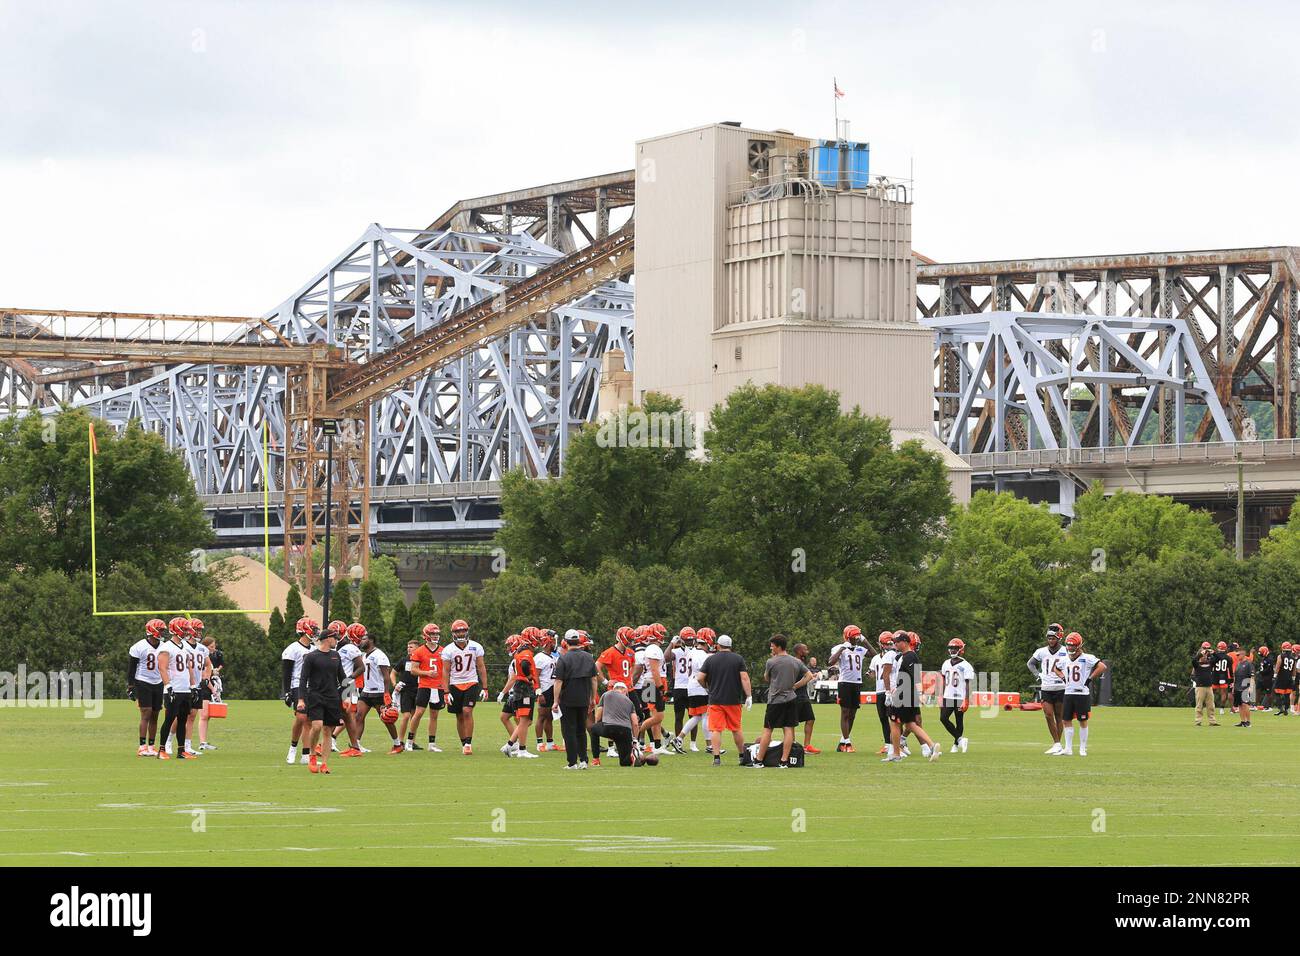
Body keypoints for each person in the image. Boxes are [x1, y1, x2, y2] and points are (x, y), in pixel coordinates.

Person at [750, 635, 812, 768]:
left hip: (775, 700)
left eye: (772, 645)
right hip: (791, 698)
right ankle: (784, 761)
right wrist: (796, 685)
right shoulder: (796, 661)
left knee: (768, 729)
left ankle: (759, 760)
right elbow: (809, 676)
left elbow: (767, 678)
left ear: (778, 646)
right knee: (788, 729)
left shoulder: (771, 661)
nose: (771, 647)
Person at [697, 634, 753, 767]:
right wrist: (749, 695)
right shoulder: (738, 659)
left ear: (718, 645)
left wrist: (707, 687)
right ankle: (741, 756)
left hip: (715, 699)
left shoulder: (711, 659)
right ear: (730, 646)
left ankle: (716, 758)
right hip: (733, 699)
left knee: (716, 729)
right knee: (736, 728)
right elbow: (744, 678)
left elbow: (700, 677)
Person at [297, 626, 346, 775]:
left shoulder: (336, 655)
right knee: (317, 726)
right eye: (335, 638)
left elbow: (343, 678)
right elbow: (303, 679)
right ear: (327, 638)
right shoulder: (311, 657)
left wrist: (347, 696)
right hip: (316, 696)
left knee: (327, 731)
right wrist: (301, 699)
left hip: (332, 698)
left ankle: (324, 764)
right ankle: (312, 755)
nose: (336, 641)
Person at [884, 631, 939, 763]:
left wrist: (920, 694)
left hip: (904, 694)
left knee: (895, 722)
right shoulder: (903, 656)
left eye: (897, 642)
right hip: (905, 693)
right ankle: (932, 746)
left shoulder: (909, 657)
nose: (895, 644)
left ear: (905, 642)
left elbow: (916, 676)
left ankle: (896, 754)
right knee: (910, 724)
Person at [1051, 632, 1106, 757]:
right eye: (1068, 645)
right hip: (1068, 693)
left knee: (1083, 720)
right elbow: (1055, 668)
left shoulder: (1087, 658)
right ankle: (1068, 749)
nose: (1070, 648)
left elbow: (1102, 666)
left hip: (1082, 694)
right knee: (1066, 720)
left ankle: (1082, 748)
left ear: (1079, 645)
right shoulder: (1065, 659)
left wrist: (1090, 679)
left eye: (1072, 645)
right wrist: (1063, 678)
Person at [551, 629, 598, 768]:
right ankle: (583, 760)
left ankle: (572, 762)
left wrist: (555, 700)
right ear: (578, 641)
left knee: (569, 731)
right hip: (584, 698)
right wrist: (592, 698)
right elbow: (594, 679)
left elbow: (558, 681)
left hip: (568, 699)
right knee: (581, 730)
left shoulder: (564, 658)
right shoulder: (588, 657)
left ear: (565, 642)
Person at [441, 620, 489, 754]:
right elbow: (445, 671)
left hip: (471, 682)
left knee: (467, 711)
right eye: (458, 631)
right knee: (459, 715)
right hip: (455, 684)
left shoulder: (476, 647)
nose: (461, 633)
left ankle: (468, 743)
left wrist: (485, 687)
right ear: (453, 633)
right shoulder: (448, 650)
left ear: (467, 631)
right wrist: (445, 691)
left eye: (463, 630)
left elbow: (481, 667)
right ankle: (463, 743)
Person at [353, 624, 400, 754]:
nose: (361, 641)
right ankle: (356, 746)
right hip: (366, 691)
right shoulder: (363, 655)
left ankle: (397, 744)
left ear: (371, 640)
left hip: (378, 692)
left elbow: (386, 676)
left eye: (364, 639)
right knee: (358, 716)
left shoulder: (379, 655)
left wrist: (386, 693)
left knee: (386, 718)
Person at [156, 618, 199, 760]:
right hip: (173, 689)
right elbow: (162, 668)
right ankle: (161, 750)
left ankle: (181, 751)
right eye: (185, 629)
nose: (187, 631)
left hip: (185, 689)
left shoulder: (185, 647)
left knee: (182, 721)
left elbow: (189, 668)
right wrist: (168, 687)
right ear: (177, 629)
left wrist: (193, 686)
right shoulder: (166, 647)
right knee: (169, 719)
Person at [1028, 624, 1069, 755]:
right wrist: (1037, 675)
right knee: (1048, 714)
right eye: (1049, 638)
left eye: (1053, 638)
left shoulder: (1066, 651)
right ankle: (1057, 743)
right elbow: (1030, 663)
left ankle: (1058, 744)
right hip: (1046, 687)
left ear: (1059, 638)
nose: (1051, 640)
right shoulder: (1041, 651)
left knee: (1059, 716)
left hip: (1061, 687)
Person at [128, 619, 167, 756]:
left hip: (158, 682)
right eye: (160, 630)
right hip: (143, 681)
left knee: (155, 715)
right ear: (152, 630)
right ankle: (142, 746)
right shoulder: (138, 647)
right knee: (146, 713)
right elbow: (132, 668)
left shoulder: (164, 646)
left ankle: (151, 746)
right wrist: (131, 686)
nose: (162, 633)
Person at [282, 618, 317, 764]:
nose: (315, 632)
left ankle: (305, 755)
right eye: (313, 629)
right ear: (304, 629)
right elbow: (286, 672)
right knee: (301, 718)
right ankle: (293, 748)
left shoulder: (315, 648)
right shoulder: (292, 649)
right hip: (297, 685)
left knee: (309, 721)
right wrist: (286, 692)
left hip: (312, 686)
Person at [406, 623, 445, 752]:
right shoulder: (419, 651)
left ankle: (432, 744)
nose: (435, 636)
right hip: (425, 686)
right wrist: (427, 673)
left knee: (434, 715)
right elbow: (413, 670)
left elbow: (446, 670)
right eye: (433, 634)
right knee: (418, 713)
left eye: (436, 634)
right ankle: (409, 741)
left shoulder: (443, 650)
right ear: (426, 636)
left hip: (438, 686)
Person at [500, 632, 540, 758]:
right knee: (524, 721)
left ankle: (510, 744)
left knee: (525, 721)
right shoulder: (526, 653)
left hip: (520, 689)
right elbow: (524, 665)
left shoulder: (520, 654)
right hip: (524, 689)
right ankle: (520, 749)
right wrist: (529, 678)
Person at [828, 624, 867, 752]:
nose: (856, 639)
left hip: (856, 683)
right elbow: (831, 662)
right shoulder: (840, 648)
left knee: (853, 714)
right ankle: (848, 743)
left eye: (857, 637)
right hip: (844, 682)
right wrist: (842, 649)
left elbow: (874, 654)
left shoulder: (860, 649)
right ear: (847, 637)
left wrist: (865, 640)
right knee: (845, 712)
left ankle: (843, 741)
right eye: (854, 637)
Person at [632, 624, 668, 752]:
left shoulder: (651, 648)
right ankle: (633, 737)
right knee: (658, 717)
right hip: (653, 683)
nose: (663, 636)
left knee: (655, 716)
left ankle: (657, 746)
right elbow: (654, 669)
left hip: (650, 683)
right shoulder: (653, 648)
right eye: (661, 633)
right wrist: (660, 686)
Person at [588, 681, 640, 767]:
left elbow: (598, 716)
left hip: (609, 727)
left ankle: (596, 759)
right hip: (625, 731)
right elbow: (635, 723)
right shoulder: (630, 702)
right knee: (625, 763)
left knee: (593, 729)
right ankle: (631, 757)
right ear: (624, 690)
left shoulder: (606, 695)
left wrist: (599, 726)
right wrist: (634, 739)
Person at [180, 619, 211, 757]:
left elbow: (208, 665)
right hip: (183, 685)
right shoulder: (182, 646)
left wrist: (206, 678)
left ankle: (187, 745)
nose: (199, 633)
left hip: (197, 685)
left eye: (200, 630)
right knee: (179, 716)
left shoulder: (202, 648)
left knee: (192, 716)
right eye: (197, 630)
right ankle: (168, 741)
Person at [939, 638, 974, 752]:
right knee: (943, 718)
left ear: (961, 649)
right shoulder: (945, 663)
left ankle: (955, 744)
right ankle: (960, 739)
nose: (953, 650)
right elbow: (944, 680)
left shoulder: (966, 665)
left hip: (960, 697)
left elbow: (968, 683)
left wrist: (966, 699)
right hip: (948, 696)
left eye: (955, 648)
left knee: (959, 720)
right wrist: (941, 695)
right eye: (951, 648)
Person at [868, 630, 896, 755]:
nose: (888, 646)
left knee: (894, 719)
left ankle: (897, 744)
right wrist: (870, 674)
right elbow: (874, 674)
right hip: (879, 690)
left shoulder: (894, 656)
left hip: (890, 690)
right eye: (885, 644)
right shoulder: (875, 658)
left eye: (890, 644)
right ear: (880, 644)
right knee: (883, 718)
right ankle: (887, 744)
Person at [533, 630, 559, 752]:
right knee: (542, 716)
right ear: (549, 642)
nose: (555, 643)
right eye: (553, 641)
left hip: (552, 688)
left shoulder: (552, 657)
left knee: (549, 717)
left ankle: (550, 742)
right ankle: (539, 743)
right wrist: (539, 692)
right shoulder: (539, 657)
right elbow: (535, 676)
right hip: (544, 689)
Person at [791, 642, 819, 754]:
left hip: (803, 696)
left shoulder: (803, 663)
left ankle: (807, 746)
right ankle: (792, 744)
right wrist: (794, 686)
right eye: (805, 649)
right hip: (794, 697)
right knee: (792, 722)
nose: (807, 651)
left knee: (810, 719)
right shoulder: (793, 662)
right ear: (799, 651)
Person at [393, 640, 420, 747]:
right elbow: (393, 673)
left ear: (418, 648)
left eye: (411, 647)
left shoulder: (421, 660)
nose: (409, 648)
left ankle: (412, 741)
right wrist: (395, 684)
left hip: (418, 690)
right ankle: (400, 741)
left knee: (415, 717)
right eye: (408, 647)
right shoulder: (404, 660)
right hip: (406, 691)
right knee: (406, 716)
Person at [197, 634, 221, 751]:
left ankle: (203, 742)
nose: (213, 649)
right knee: (203, 715)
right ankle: (201, 743)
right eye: (211, 646)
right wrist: (213, 689)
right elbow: (203, 676)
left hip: (207, 687)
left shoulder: (208, 659)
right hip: (203, 687)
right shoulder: (201, 657)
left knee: (207, 716)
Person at [1192, 641, 1219, 726]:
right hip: (1200, 687)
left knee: (1211, 706)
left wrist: (1213, 652)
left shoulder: (1210, 663)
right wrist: (1200, 654)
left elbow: (1217, 659)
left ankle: (1212, 721)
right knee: (1199, 706)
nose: (1204, 657)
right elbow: (1193, 660)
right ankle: (1198, 721)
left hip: (1209, 687)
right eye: (1203, 656)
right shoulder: (1197, 664)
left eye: (1205, 656)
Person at [1232, 651, 1254, 728]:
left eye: (1238, 655)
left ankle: (1248, 721)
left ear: (1243, 655)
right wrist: (1233, 687)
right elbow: (1235, 676)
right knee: (1240, 705)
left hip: (1245, 687)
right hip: (1237, 687)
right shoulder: (1238, 664)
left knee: (1245, 704)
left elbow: (1252, 676)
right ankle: (1242, 721)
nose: (1237, 656)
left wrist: (1251, 687)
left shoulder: (1248, 664)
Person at [1273, 642, 1296, 716]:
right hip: (1289, 678)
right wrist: (1293, 678)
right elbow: (1294, 669)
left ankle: (1281, 709)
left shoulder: (1281, 656)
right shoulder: (1293, 658)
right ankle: (1286, 709)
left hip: (1281, 677)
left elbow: (1278, 665)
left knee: (1276, 693)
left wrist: (1275, 675)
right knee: (1287, 694)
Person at [1211, 641, 1233, 714]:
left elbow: (1211, 666)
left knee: (1212, 692)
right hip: (1223, 676)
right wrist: (1232, 678)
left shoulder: (1215, 656)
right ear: (1225, 648)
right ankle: (1221, 709)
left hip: (1215, 676)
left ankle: (1212, 706)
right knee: (1223, 693)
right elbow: (1230, 669)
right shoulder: (1228, 658)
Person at [1255, 645, 1274, 712]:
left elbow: (1268, 669)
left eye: (1261, 653)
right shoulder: (1264, 658)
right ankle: (1255, 705)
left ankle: (1268, 707)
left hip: (1267, 678)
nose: (1261, 655)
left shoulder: (1270, 659)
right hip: (1261, 678)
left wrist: (1260, 672)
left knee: (1268, 692)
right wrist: (1259, 672)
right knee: (1258, 690)